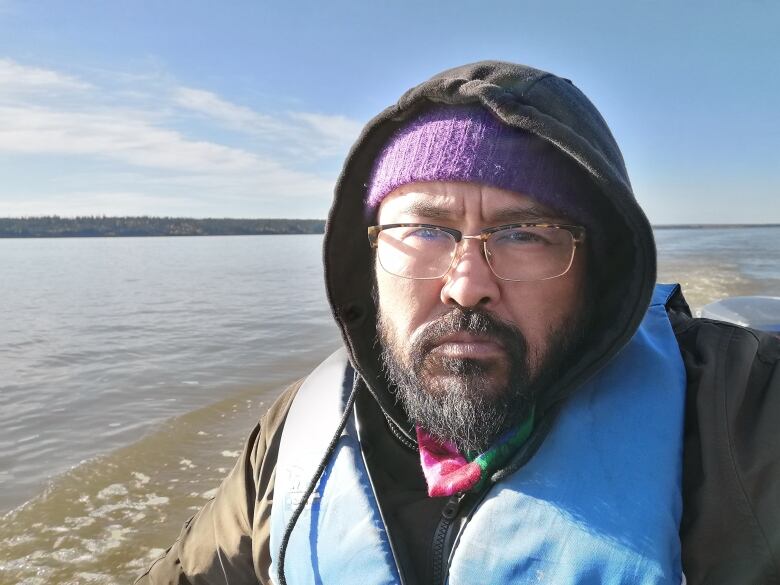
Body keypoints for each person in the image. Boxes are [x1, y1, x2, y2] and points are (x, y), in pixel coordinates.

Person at [136, 61, 780, 585]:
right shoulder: (294, 440)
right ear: (369, 260)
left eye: (527, 234)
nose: (467, 284)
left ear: (599, 271)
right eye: (424, 230)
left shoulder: (739, 414)